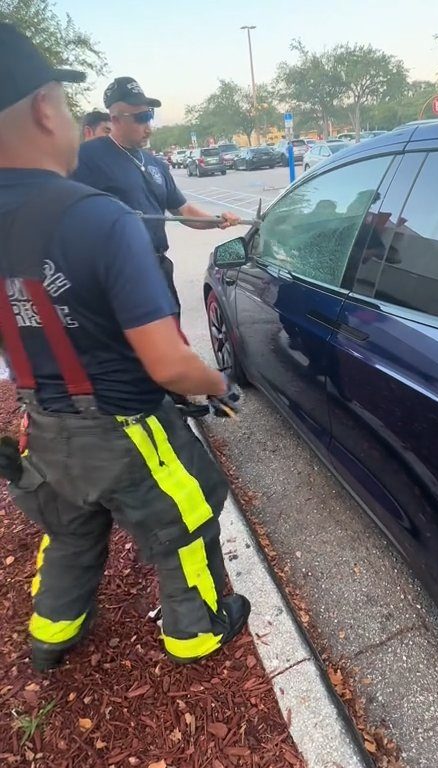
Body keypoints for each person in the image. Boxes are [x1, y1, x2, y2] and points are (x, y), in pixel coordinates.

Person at [0, 22, 250, 673]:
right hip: (127, 426)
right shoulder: (94, 214)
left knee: (72, 528)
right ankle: (196, 631)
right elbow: (168, 364)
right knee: (187, 515)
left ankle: (53, 631)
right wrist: (218, 385)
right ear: (46, 109)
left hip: (46, 425)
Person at [72, 77, 240, 310]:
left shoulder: (156, 165)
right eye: (140, 118)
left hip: (158, 271)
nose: (148, 126)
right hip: (116, 277)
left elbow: (183, 210)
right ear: (115, 119)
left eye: (148, 115)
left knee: (171, 336)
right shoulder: (87, 157)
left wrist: (217, 221)